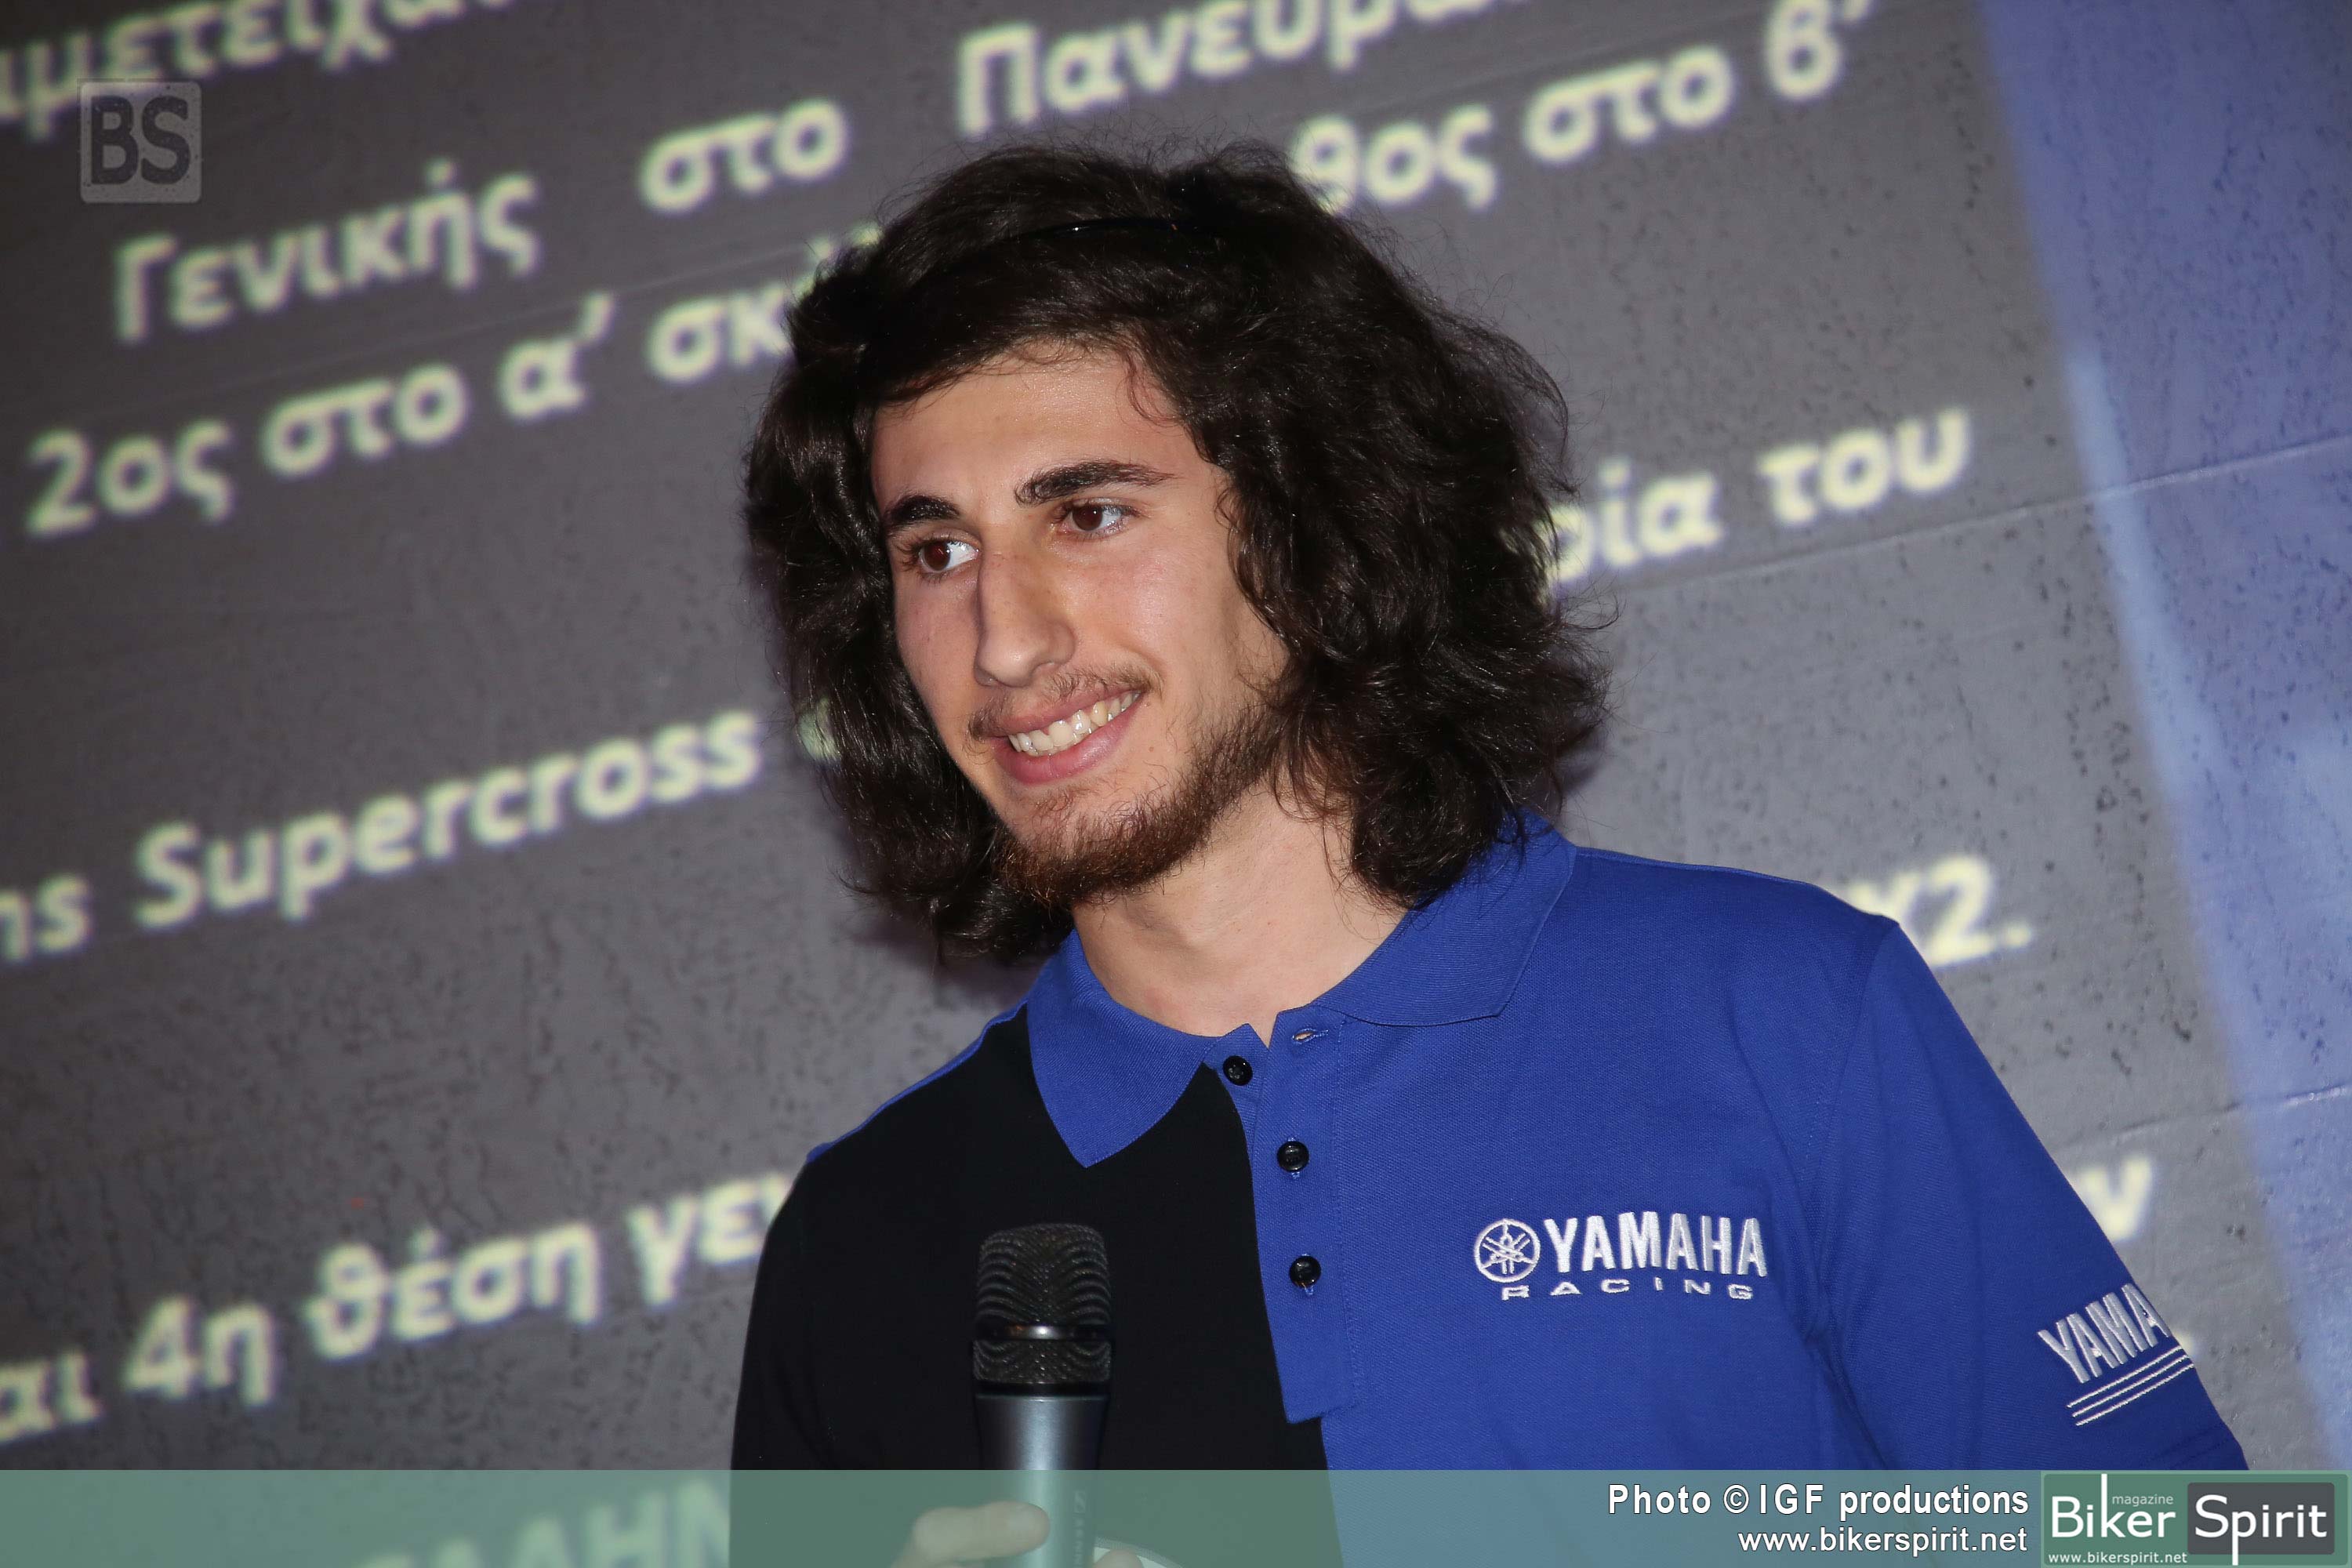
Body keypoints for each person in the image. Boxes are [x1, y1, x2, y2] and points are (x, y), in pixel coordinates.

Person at [730, 140, 2247, 1491]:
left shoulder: (1777, 1012)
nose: (1002, 640)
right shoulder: (859, 1244)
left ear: (1316, 529)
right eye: (935, 554)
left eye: (1089, 514)